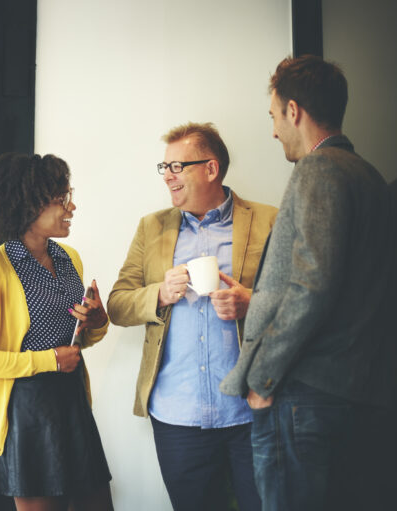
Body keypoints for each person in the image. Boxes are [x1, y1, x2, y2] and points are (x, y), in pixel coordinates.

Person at [220, 55, 397, 510]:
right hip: (360, 395)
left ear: (294, 110)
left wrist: (263, 377)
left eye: (274, 116)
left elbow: (312, 285)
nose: (273, 130)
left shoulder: (319, 169)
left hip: (306, 398)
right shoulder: (372, 178)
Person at [108, 122, 277, 511]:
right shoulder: (151, 227)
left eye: (176, 166)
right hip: (177, 415)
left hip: (251, 410)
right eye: (164, 167)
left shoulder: (269, 220)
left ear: (211, 168)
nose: (167, 176)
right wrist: (159, 293)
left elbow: (300, 301)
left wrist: (250, 302)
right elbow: (118, 304)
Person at [0, 153, 113, 511]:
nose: (71, 206)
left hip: (72, 401)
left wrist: (96, 322)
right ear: (28, 204)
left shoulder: (69, 257)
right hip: (27, 413)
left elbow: (78, 340)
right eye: (61, 198)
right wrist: (50, 361)